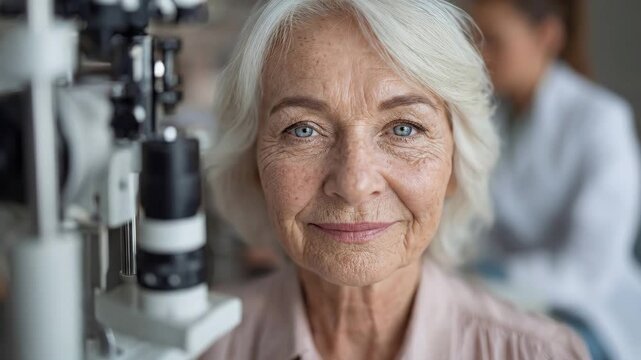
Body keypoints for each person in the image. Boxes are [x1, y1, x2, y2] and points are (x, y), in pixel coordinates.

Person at [202, 0, 588, 359]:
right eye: (303, 130)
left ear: (455, 165)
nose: (354, 184)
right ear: (252, 163)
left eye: (403, 129)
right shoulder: (195, 347)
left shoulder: (541, 353)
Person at [470, 0, 641, 359]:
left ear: (546, 36)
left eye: (494, 41)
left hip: (589, 308)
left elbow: (589, 270)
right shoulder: (493, 119)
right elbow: (477, 226)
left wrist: (495, 275)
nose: (480, 54)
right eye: (476, 38)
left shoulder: (601, 120)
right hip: (510, 299)